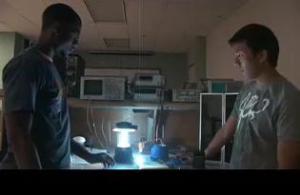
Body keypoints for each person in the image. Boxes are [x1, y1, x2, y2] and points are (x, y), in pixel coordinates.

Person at [0, 3, 114, 169]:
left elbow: (56, 129)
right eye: (74, 37)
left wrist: (89, 156)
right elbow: (19, 134)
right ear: (56, 31)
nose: (76, 44)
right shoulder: (26, 66)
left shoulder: (51, 68)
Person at [205, 24, 300, 169]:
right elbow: (226, 132)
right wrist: (202, 156)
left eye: (240, 56)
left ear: (261, 56)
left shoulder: (288, 98)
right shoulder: (246, 90)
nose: (236, 63)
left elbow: (287, 164)